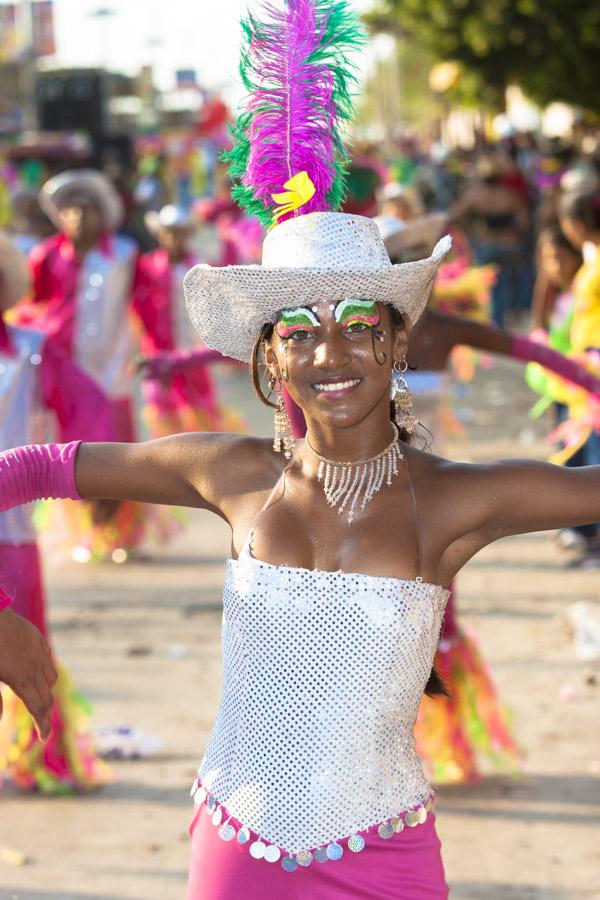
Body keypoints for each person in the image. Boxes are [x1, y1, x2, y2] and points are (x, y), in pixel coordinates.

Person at [2, 4, 600, 897]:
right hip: (239, 849)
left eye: (361, 328)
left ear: (397, 346)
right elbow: (23, 469)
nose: (332, 354)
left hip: (390, 856)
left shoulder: (456, 500)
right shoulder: (232, 474)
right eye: (301, 332)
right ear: (268, 354)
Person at [0, 231, 112, 792]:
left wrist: (102, 478)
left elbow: (84, 406)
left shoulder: (31, 347)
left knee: (28, 645)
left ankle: (43, 755)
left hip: (11, 529)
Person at [132, 204, 244, 438]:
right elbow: (136, 306)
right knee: (163, 410)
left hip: (193, 351)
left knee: (200, 409)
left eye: (179, 231)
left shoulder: (200, 266)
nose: (173, 238)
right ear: (160, 234)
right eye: (168, 232)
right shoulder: (148, 266)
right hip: (159, 351)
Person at [450, 155, 529, 327]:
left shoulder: (474, 196)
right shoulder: (510, 196)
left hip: (485, 244)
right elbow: (524, 223)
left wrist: (471, 232)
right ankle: (507, 322)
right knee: (508, 284)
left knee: (488, 286)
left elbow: (454, 216)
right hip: (509, 244)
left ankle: (494, 322)